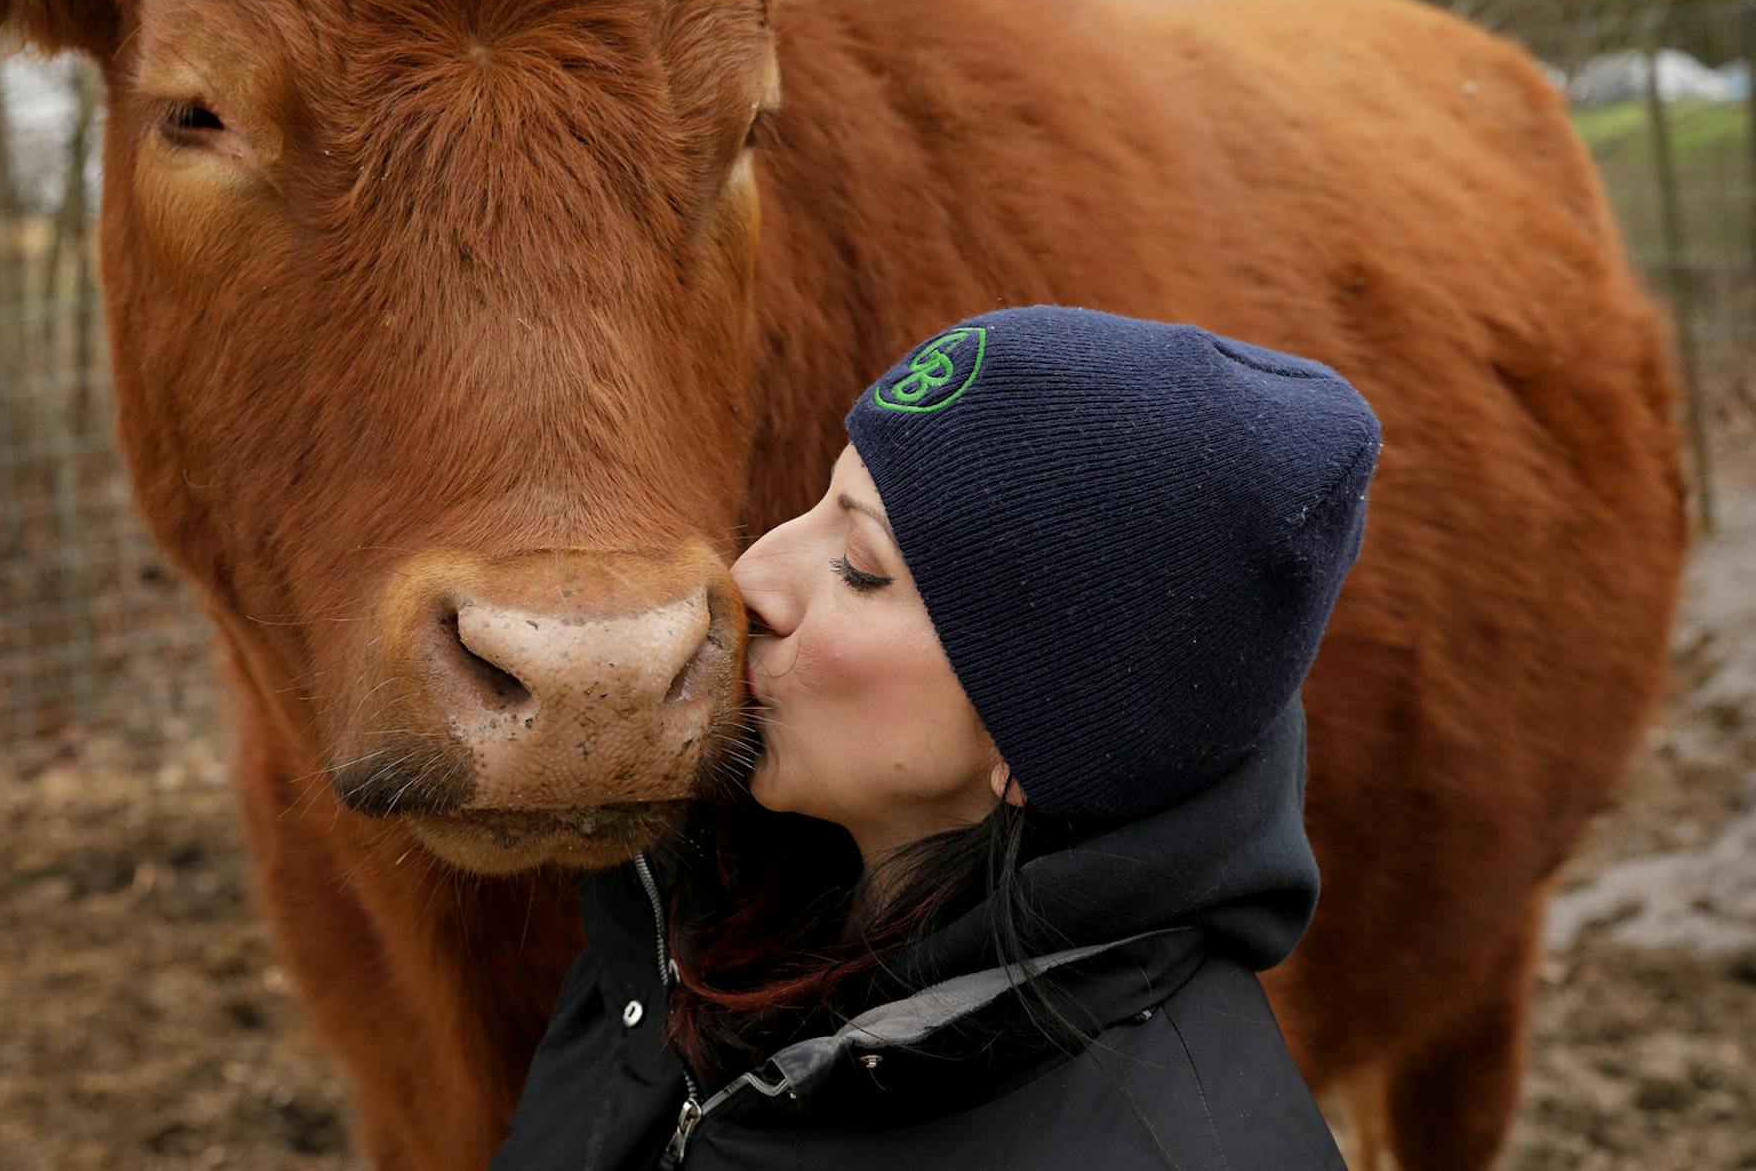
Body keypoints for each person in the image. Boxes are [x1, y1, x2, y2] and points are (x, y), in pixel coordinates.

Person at [490, 303, 1382, 1170]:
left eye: (860, 568)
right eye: (820, 502)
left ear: (1036, 740)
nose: (749, 573)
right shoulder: (681, 923)